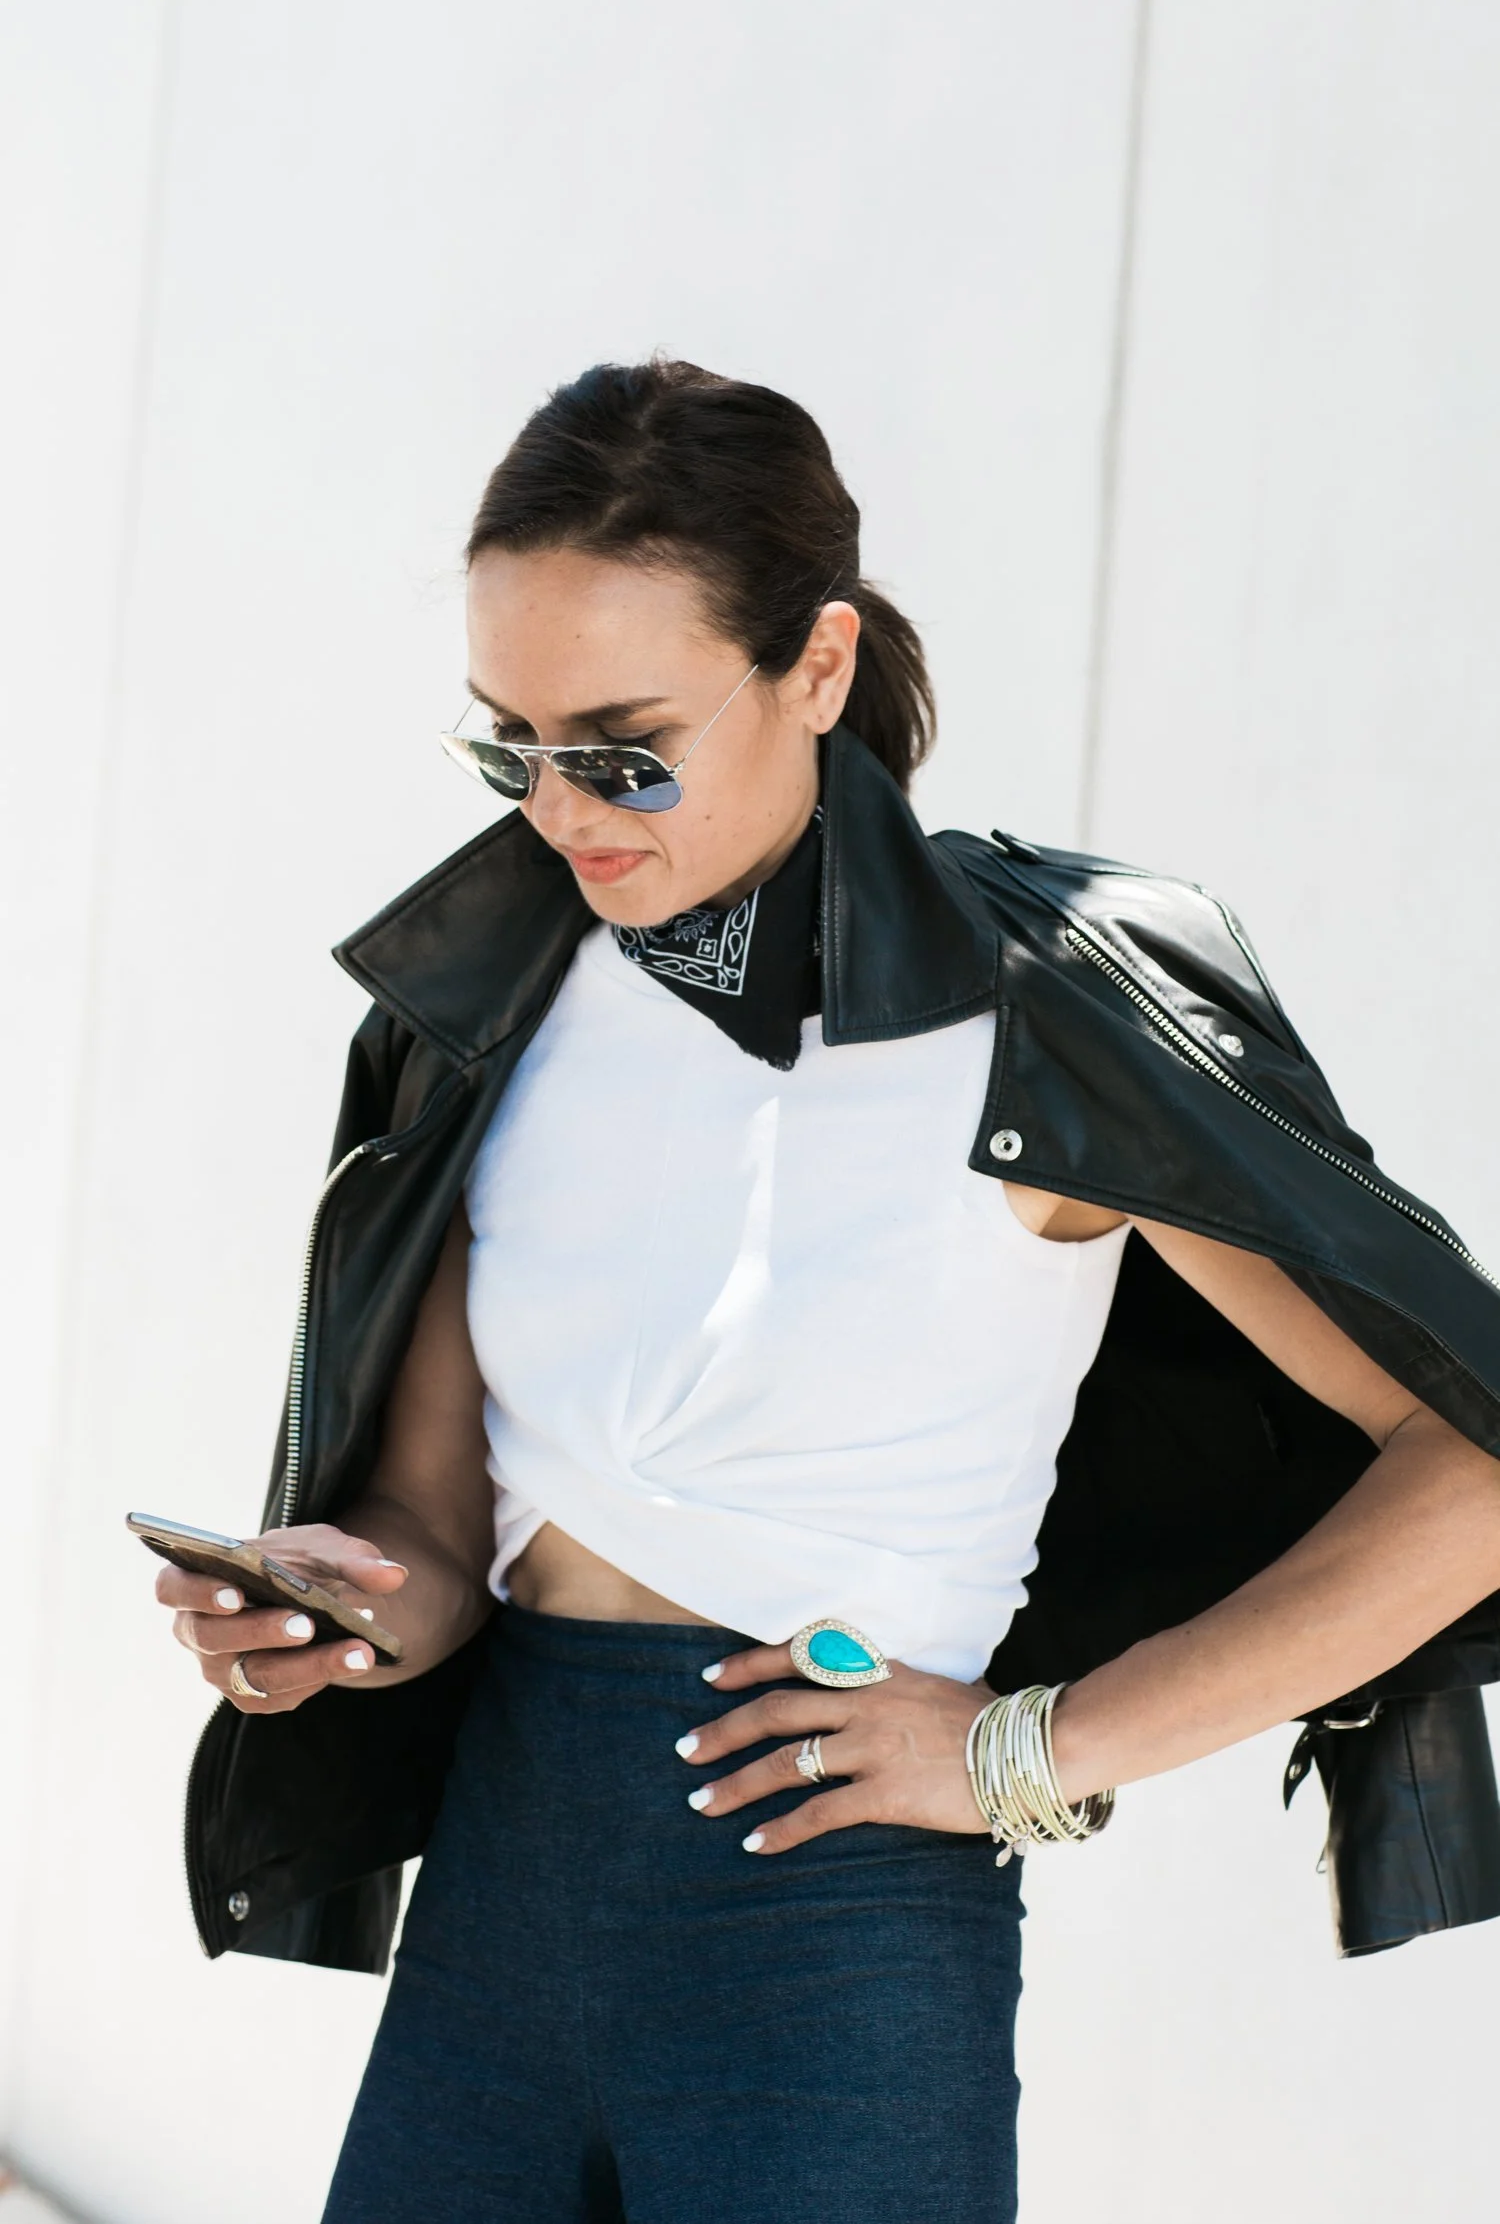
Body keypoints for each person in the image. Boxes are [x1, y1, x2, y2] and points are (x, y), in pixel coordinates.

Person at [155, 360, 1500, 2224]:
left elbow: (1471, 1466)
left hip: (833, 1932)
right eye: (508, 746)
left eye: (624, 748)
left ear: (818, 667)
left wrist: (1037, 1752)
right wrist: (340, 1617)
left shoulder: (1044, 1020)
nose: (561, 814)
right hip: (504, 1890)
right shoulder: (501, 1008)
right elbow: (441, 1523)